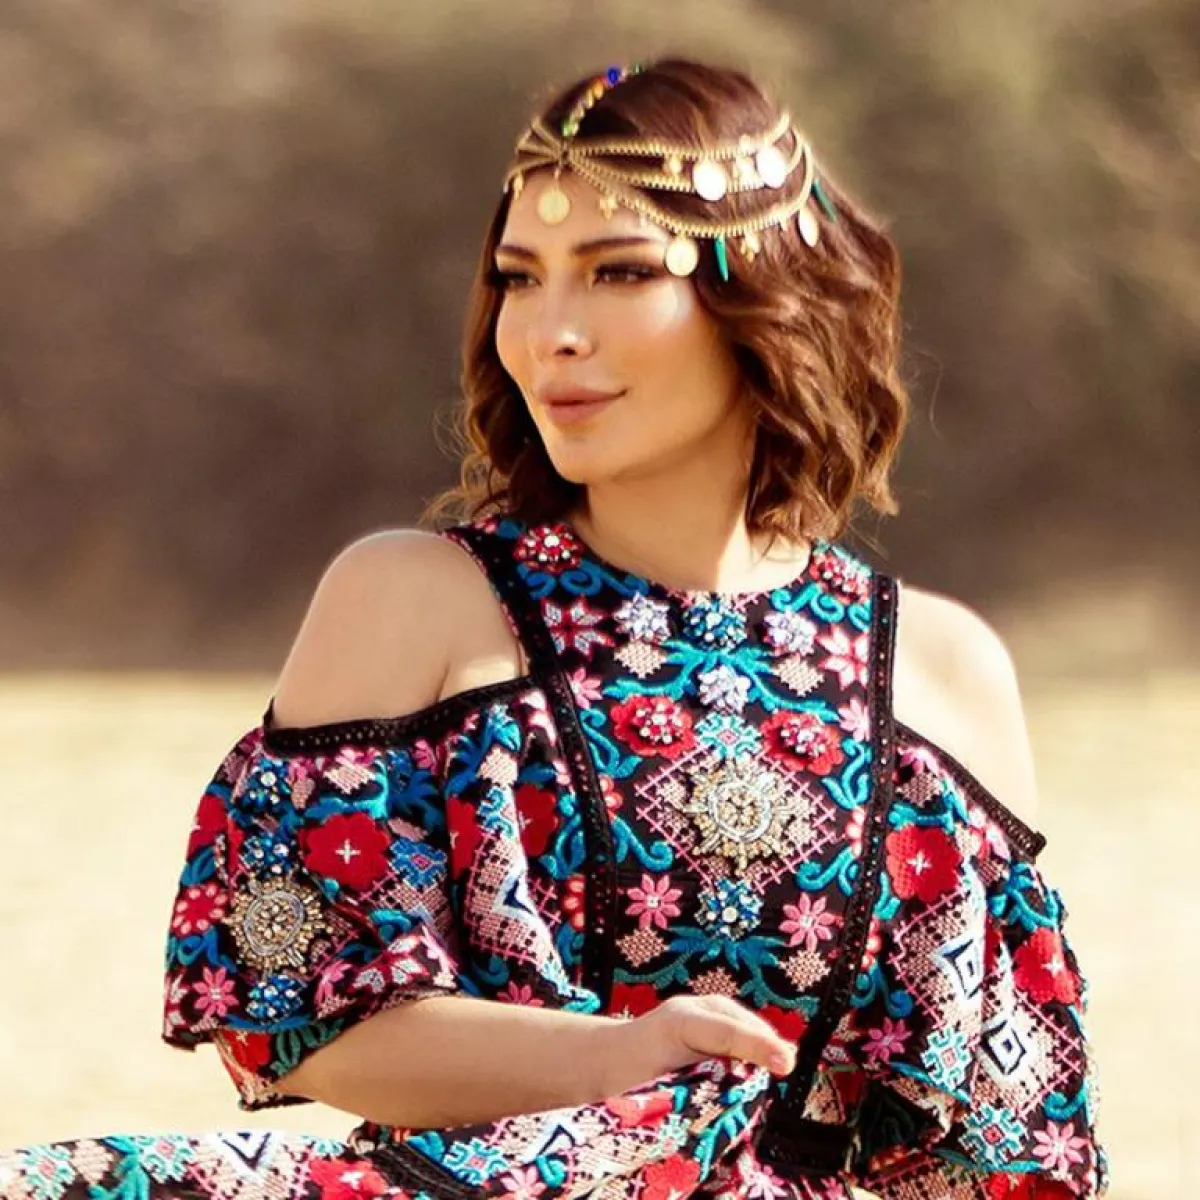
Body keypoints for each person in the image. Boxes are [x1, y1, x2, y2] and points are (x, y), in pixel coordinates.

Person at [0, 57, 1106, 1200]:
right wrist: (615, 1064)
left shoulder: (938, 672)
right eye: (520, 279)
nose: (550, 334)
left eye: (620, 271)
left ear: (764, 290)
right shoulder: (417, 601)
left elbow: (1001, 1157)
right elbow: (298, 1015)